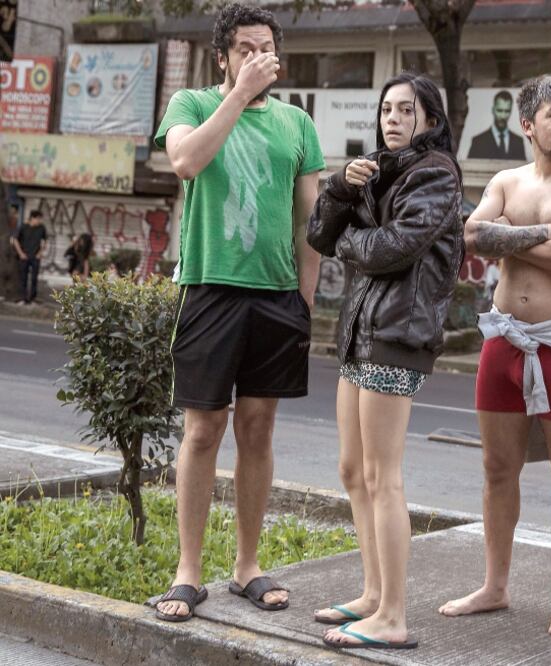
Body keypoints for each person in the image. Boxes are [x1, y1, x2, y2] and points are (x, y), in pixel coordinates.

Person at [150, 2, 324, 623]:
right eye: (245, 48)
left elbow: (313, 219)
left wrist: (305, 296)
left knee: (258, 430)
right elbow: (186, 162)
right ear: (222, 54)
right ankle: (188, 572)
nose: (258, 58)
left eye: (267, 48)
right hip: (210, 287)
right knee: (203, 431)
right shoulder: (192, 104)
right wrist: (239, 95)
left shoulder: (297, 122)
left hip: (277, 296)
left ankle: (247, 565)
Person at [438, 75, 551, 636]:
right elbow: (471, 237)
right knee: (497, 468)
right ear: (527, 124)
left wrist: (516, 231)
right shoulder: (506, 178)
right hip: (501, 337)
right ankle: (494, 585)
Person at [308, 72, 463, 651]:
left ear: (430, 118)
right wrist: (342, 192)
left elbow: (393, 248)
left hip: (398, 333)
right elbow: (320, 234)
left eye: (406, 110)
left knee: (383, 476)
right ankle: (372, 596)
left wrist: (352, 240)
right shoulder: (375, 168)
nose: (392, 119)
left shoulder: (436, 173)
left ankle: (394, 616)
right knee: (353, 470)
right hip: (361, 330)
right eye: (386, 109)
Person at [467, 90, 527, 161]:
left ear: (511, 111)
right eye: (499, 110)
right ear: (493, 110)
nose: (503, 116)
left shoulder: (518, 142)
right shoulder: (478, 142)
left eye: (506, 111)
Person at [13, 210, 48, 304]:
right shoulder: (23, 227)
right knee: (23, 278)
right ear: (33, 218)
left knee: (34, 278)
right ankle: (23, 298)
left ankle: (32, 298)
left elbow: (45, 241)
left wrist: (40, 253)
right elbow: (15, 240)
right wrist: (20, 253)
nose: (40, 221)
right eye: (39, 219)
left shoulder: (41, 228)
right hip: (24, 256)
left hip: (35, 257)